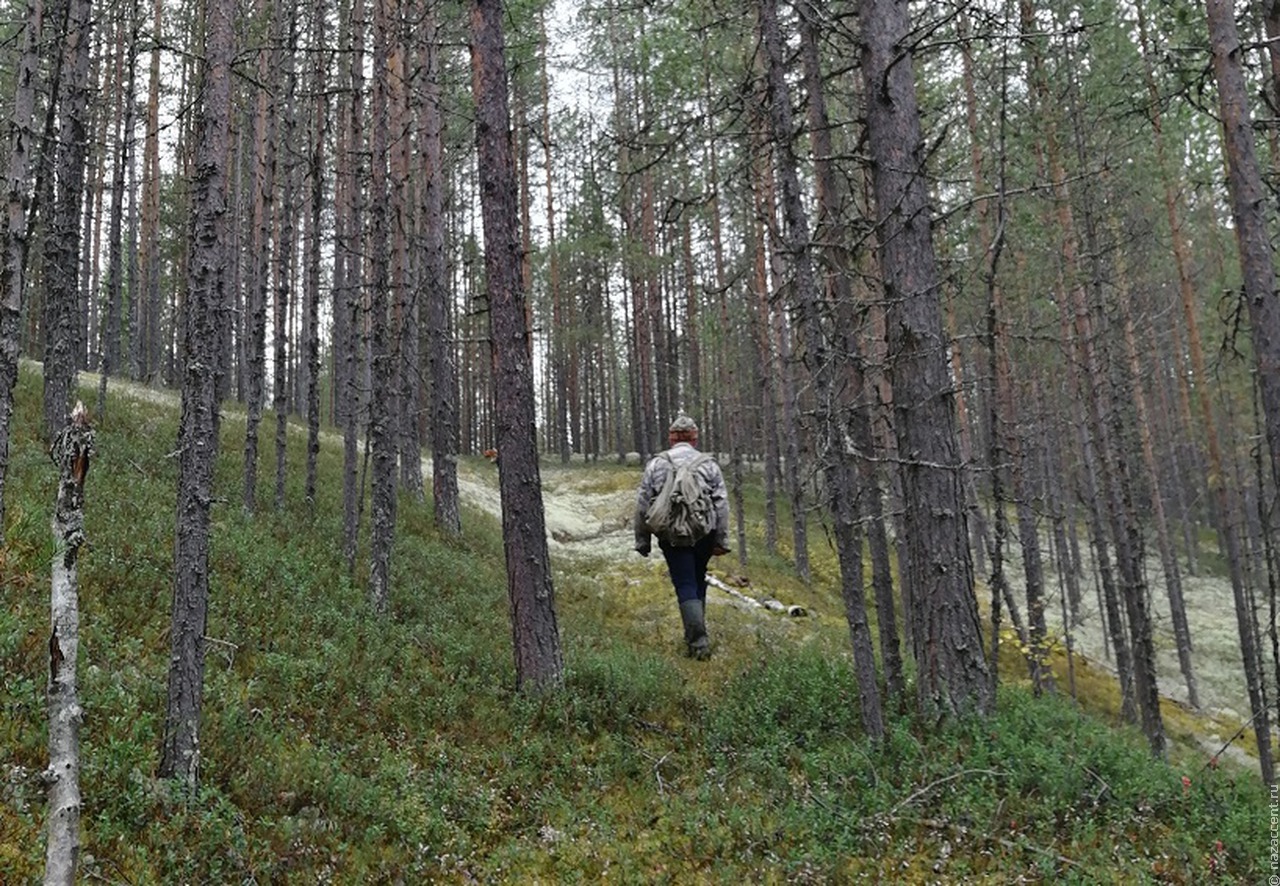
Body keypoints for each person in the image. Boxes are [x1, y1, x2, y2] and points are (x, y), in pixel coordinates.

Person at [634, 415, 730, 660]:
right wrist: (720, 540)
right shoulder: (709, 465)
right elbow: (721, 504)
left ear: (672, 437)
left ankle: (698, 644)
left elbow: (643, 504)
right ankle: (696, 637)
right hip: (703, 534)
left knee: (685, 583)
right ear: (694, 438)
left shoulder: (657, 464)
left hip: (671, 537)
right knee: (698, 580)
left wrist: (642, 540)